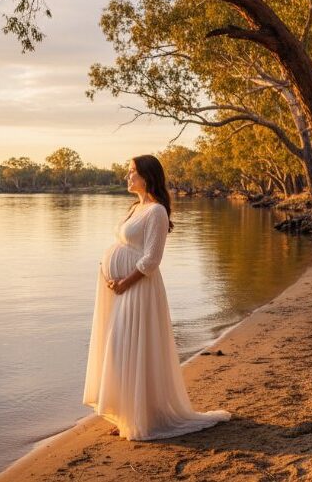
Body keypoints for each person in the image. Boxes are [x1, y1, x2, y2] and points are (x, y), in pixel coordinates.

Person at [83, 155, 231, 441]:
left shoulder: (157, 212)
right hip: (120, 291)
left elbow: (152, 259)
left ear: (148, 176)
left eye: (132, 172)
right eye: (128, 172)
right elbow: (125, 246)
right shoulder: (136, 207)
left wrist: (125, 282)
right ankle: (127, 413)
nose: (127, 177)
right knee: (120, 350)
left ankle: (143, 418)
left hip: (138, 290)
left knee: (135, 349)